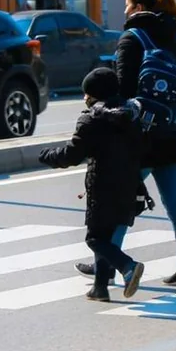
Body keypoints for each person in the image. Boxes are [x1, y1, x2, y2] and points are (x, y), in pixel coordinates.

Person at [74, 0, 176, 287]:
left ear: (139, 8)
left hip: (138, 135)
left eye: (127, 5)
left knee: (119, 200)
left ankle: (106, 263)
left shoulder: (131, 38)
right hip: (173, 128)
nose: (125, 10)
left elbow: (123, 87)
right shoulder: (172, 36)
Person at [40, 68, 146, 302]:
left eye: (86, 93)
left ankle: (127, 265)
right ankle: (100, 288)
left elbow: (71, 155)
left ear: (94, 94)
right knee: (105, 237)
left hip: (102, 186)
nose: (84, 97)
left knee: (94, 239)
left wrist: (47, 155)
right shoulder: (132, 115)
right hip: (128, 183)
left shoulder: (92, 119)